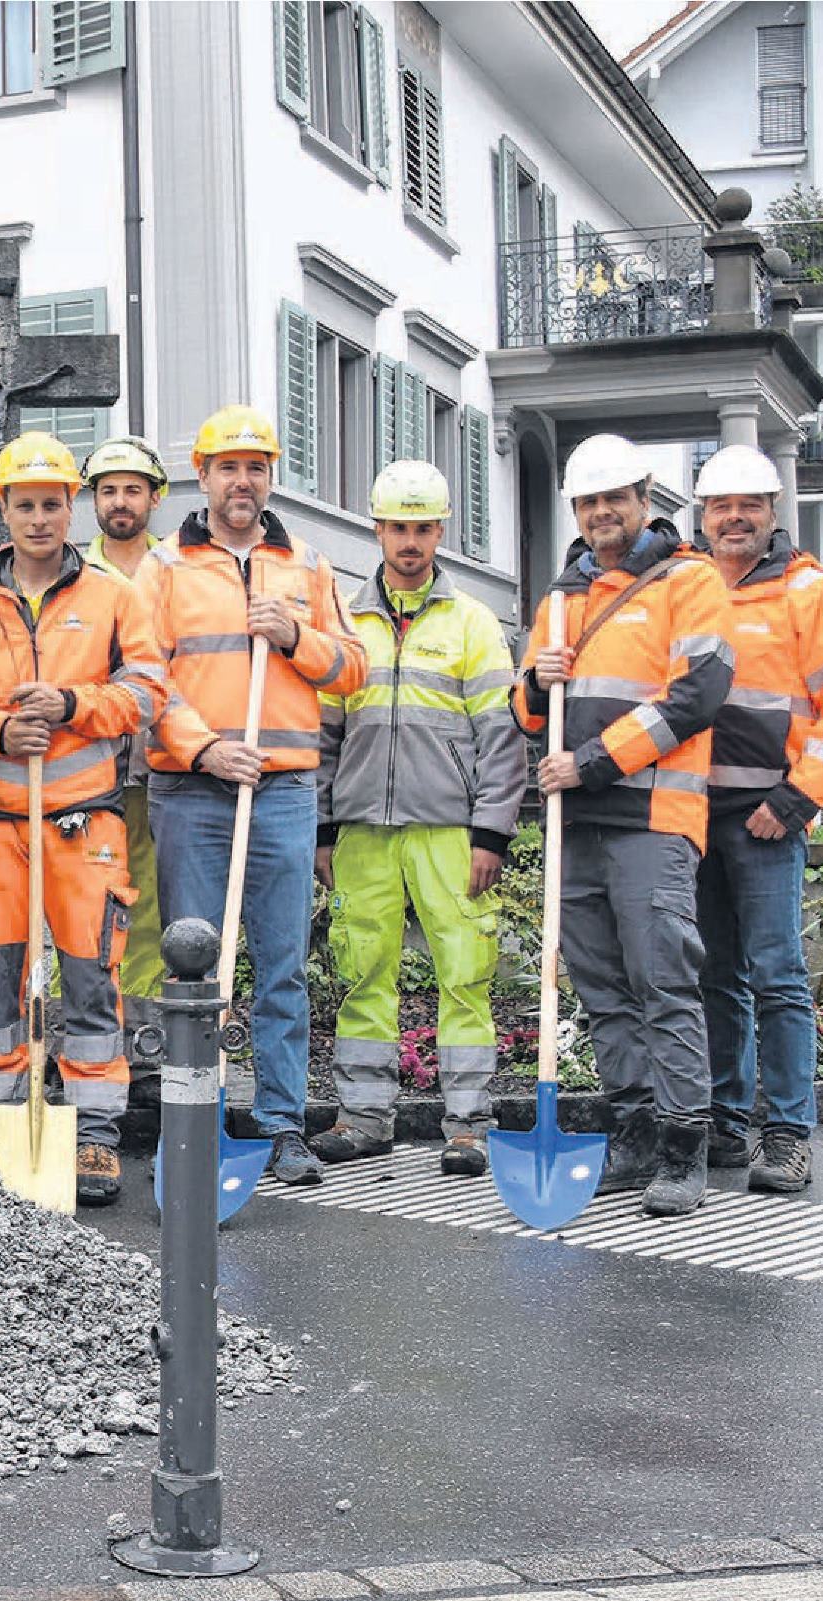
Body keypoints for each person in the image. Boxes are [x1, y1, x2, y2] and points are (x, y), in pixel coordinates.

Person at [135, 407, 367, 1187]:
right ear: (199, 476)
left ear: (270, 476)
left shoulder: (305, 562)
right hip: (192, 788)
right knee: (194, 967)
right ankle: (193, 1120)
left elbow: (352, 670)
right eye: (227, 466)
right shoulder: (163, 566)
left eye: (255, 466)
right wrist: (205, 745)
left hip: (284, 789)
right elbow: (145, 677)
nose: (243, 480)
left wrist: (296, 638)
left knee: (281, 966)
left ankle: (279, 1123)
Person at [0, 434, 167, 1204]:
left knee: (88, 977)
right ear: (1, 509)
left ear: (69, 507)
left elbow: (146, 694)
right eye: (24, 504)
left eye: (50, 503)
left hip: (83, 821)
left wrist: (74, 705)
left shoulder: (113, 597)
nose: (38, 518)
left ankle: (96, 1134)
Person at [516, 433, 731, 1217]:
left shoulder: (689, 581)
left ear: (645, 499)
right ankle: (633, 1133)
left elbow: (696, 696)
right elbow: (524, 714)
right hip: (574, 822)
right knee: (604, 991)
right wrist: (535, 688)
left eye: (615, 498)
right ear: (575, 509)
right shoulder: (559, 597)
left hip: (651, 816)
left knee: (663, 983)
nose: (601, 512)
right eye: (588, 501)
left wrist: (592, 762)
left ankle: (682, 1148)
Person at [311, 460, 523, 1177]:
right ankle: (362, 1116)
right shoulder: (343, 617)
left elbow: (500, 736)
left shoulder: (472, 623)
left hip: (448, 828)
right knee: (361, 970)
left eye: (421, 527)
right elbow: (323, 733)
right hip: (364, 827)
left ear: (439, 531)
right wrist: (321, 826)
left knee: (463, 972)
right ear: (377, 528)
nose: (409, 541)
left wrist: (491, 830)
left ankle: (467, 1125)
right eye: (397, 526)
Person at [688, 444, 823, 1194]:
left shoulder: (809, 591)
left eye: (748, 505)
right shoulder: (685, 584)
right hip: (689, 814)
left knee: (778, 977)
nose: (734, 518)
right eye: (720, 506)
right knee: (714, 977)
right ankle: (728, 1124)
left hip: (766, 815)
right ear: (701, 516)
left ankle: (787, 1132)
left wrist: (793, 802)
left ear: (771, 513)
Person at [80, 437, 171, 1088]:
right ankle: (90, 1037)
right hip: (90, 765)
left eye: (131, 488)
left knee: (152, 903)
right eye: (107, 489)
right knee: (88, 902)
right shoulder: (70, 572)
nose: (119, 501)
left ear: (154, 497)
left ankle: (144, 1044)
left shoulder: (175, 570)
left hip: (164, 762)